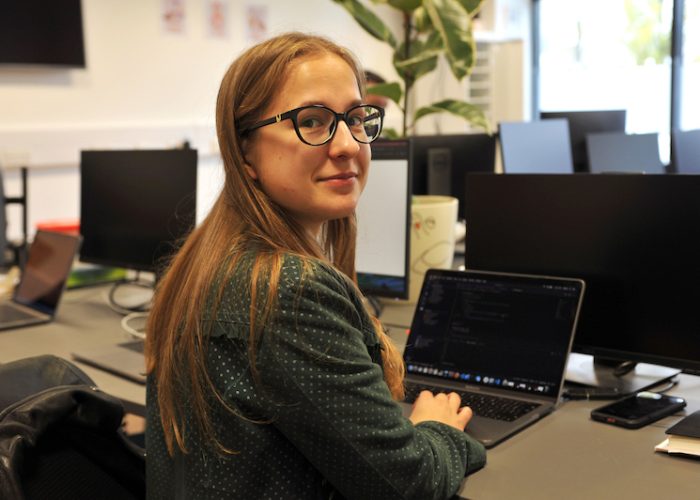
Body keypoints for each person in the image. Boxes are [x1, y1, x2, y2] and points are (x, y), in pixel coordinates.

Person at [145, 32, 486, 500]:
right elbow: (410, 483)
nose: (348, 144)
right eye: (312, 121)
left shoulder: (202, 262)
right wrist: (437, 429)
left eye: (355, 118)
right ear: (244, 151)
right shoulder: (289, 289)